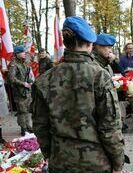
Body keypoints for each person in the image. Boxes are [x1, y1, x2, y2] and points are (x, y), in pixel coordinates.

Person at [32, 16, 125, 173]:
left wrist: (49, 154)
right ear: (90, 44)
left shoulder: (44, 79)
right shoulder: (100, 76)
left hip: (60, 161)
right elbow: (110, 127)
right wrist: (118, 161)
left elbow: (40, 126)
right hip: (95, 162)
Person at [8, 45, 33, 136]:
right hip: (19, 92)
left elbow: (26, 76)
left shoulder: (23, 63)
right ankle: (24, 128)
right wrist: (23, 83)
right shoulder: (14, 64)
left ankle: (28, 127)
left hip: (26, 91)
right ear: (17, 54)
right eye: (22, 52)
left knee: (27, 110)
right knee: (22, 111)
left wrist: (30, 82)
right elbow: (11, 78)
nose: (24, 53)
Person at [0, 71, 9, 143]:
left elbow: (2, 85)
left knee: (0, 118)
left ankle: (0, 137)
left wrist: (6, 98)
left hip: (1, 98)